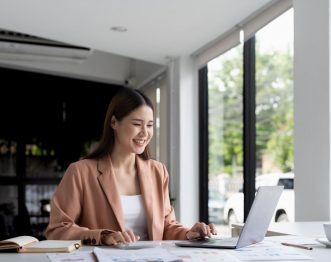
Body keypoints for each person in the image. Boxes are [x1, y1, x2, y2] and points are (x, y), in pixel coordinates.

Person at [45, 86, 217, 245]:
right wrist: (104, 237)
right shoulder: (81, 172)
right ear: (114, 123)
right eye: (136, 124)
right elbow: (57, 230)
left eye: (149, 125)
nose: (145, 133)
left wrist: (189, 233)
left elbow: (166, 226)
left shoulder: (158, 171)